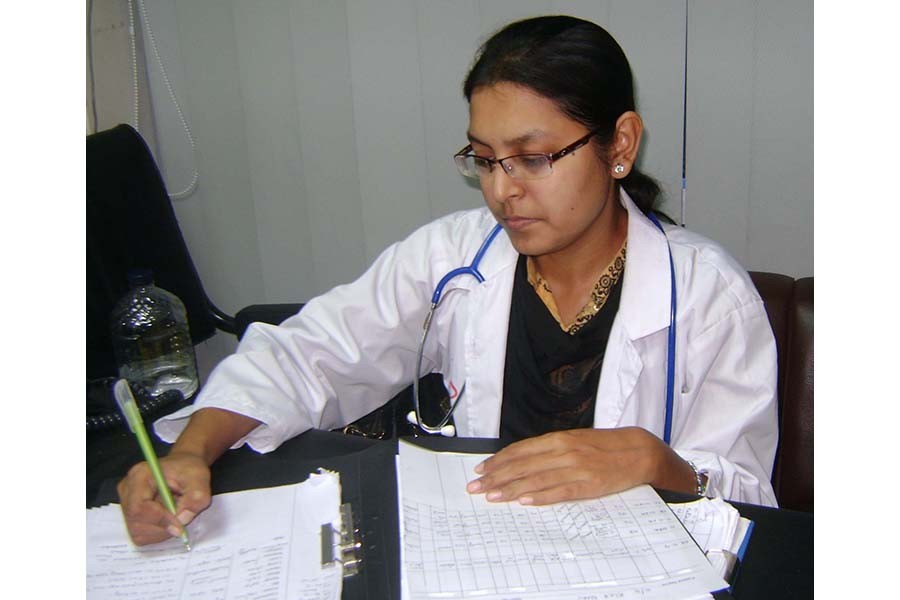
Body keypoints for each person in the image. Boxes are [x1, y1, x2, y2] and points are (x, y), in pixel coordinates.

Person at [117, 15, 778, 546]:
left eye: (533, 158)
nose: (502, 190)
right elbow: (312, 353)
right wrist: (192, 451)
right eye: (484, 159)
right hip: (473, 557)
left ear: (621, 145)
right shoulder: (452, 258)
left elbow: (751, 502)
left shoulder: (708, 296)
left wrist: (655, 463)